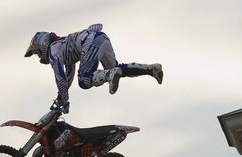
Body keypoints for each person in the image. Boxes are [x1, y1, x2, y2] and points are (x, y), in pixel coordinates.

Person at [24, 24, 163, 113]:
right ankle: (151, 69)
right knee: (117, 68)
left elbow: (60, 78)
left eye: (37, 52)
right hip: (101, 38)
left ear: (42, 45)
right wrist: (62, 98)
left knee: (84, 81)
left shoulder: (53, 52)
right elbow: (68, 76)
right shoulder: (62, 47)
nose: (39, 57)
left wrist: (64, 102)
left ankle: (109, 75)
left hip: (89, 42)